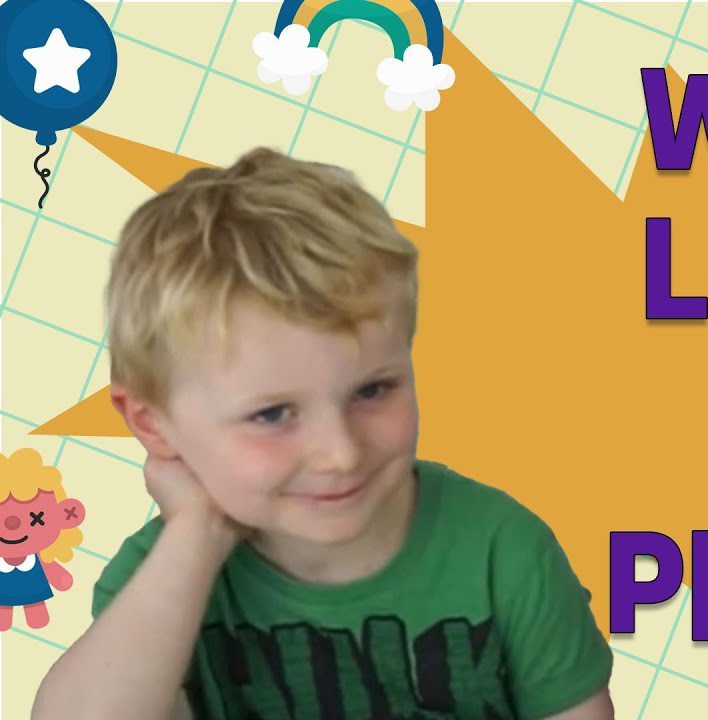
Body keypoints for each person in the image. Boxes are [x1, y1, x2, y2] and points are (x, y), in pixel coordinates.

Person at [32, 148, 614, 720]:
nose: (340, 453)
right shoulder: (161, 580)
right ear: (151, 424)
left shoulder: (502, 551)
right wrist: (197, 534)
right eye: (272, 415)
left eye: (372, 390)